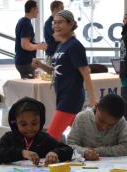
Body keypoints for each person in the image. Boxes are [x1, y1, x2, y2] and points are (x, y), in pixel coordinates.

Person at [33, 10, 97, 140]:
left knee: (51, 137)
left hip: (70, 98)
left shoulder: (74, 46)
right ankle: (97, 150)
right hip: (62, 96)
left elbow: (86, 74)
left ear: (71, 24)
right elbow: (55, 71)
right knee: (86, 137)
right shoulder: (61, 46)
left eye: (60, 22)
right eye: (54, 22)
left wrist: (93, 100)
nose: (56, 25)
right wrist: (41, 65)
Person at [0, 96, 73, 166]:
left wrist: (55, 153)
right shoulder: (9, 138)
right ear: (15, 123)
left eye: (34, 123)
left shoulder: (44, 139)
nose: (29, 128)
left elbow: (68, 150)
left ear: (40, 122)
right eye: (23, 124)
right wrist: (22, 153)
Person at [67, 93, 127, 162]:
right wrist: (84, 152)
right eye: (101, 121)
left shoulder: (120, 121)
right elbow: (69, 145)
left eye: (111, 125)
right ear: (96, 107)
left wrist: (98, 151)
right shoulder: (82, 118)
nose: (104, 127)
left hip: (112, 167)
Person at [15, 0, 47, 79]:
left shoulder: (21, 21)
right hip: (25, 62)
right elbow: (25, 45)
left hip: (22, 61)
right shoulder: (26, 24)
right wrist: (39, 46)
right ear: (32, 9)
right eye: (37, 9)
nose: (38, 11)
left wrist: (37, 45)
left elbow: (26, 42)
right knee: (29, 88)